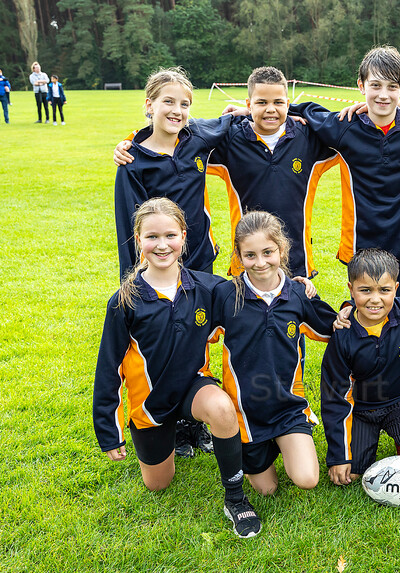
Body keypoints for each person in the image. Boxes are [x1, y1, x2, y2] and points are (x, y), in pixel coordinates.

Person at [92, 197, 261, 539]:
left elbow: (261, 298)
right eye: (152, 236)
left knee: (221, 408)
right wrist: (109, 431)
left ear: (184, 237)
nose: (162, 244)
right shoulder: (125, 300)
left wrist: (300, 289)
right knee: (158, 484)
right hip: (150, 405)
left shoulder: (208, 288)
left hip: (192, 386)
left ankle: (235, 498)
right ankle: (170, 432)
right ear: (138, 239)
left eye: (170, 235)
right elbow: (109, 368)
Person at [116, 66, 338, 280]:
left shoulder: (306, 137)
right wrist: (131, 141)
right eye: (261, 103)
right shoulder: (227, 139)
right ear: (249, 104)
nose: (270, 109)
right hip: (243, 261)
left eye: (184, 104)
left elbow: (344, 129)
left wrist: (292, 111)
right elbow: (172, 133)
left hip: (290, 257)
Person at [114, 67, 234, 458]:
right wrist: (134, 281)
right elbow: (127, 228)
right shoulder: (133, 161)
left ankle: (196, 419)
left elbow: (244, 117)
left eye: (185, 104)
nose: (177, 110)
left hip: (200, 264)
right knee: (164, 342)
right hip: (160, 272)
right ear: (149, 105)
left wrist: (245, 108)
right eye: (168, 102)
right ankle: (169, 420)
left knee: (198, 336)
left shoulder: (198, 138)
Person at [286, 46, 400, 295]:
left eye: (392, 87)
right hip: (363, 249)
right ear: (361, 85)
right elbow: (300, 110)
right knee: (367, 323)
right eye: (376, 86)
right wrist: (249, 112)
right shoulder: (343, 127)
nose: (383, 95)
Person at [211, 211, 336, 496]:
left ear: (281, 250)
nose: (260, 262)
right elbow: (199, 336)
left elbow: (334, 328)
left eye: (268, 252)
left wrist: (348, 308)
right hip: (246, 414)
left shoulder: (297, 294)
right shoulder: (226, 295)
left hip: (287, 407)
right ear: (239, 256)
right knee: (266, 489)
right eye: (250, 255)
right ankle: (263, 448)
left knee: (307, 479)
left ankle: (289, 439)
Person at [320, 248, 400, 485]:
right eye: (365, 290)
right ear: (351, 289)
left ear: (396, 289)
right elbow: (334, 397)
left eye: (385, 290)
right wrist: (339, 456)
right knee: (352, 473)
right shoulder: (343, 334)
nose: (375, 299)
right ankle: (362, 442)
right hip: (361, 408)